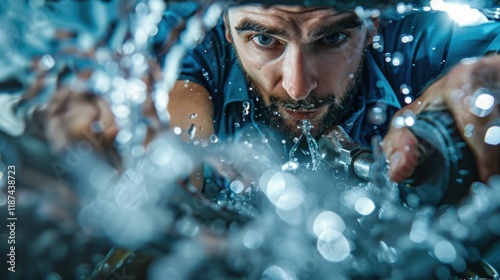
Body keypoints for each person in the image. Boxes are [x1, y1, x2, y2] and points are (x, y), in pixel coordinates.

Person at [163, 1, 500, 196]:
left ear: (372, 27)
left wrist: (486, 82)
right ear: (225, 28)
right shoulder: (195, 55)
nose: (298, 87)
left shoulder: (415, 49)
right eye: (265, 39)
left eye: (333, 38)